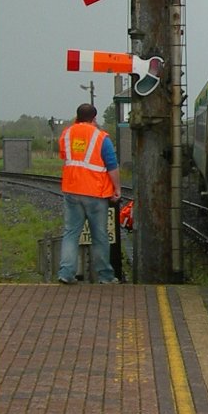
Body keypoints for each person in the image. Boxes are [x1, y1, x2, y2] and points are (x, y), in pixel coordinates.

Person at [57, 103, 121, 284]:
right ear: (94, 118)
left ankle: (66, 273)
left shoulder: (66, 134)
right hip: (95, 193)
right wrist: (117, 188)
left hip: (71, 191)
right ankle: (105, 276)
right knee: (99, 236)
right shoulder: (101, 137)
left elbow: (66, 157)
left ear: (77, 116)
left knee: (71, 233)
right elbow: (112, 165)